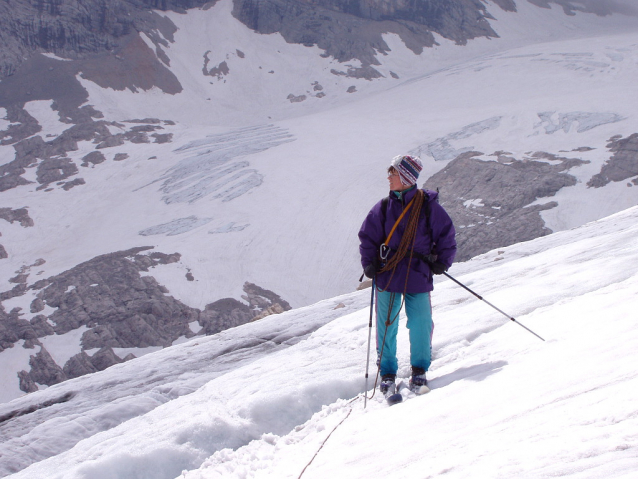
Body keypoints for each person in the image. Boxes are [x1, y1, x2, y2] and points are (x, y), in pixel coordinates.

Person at [358, 154, 456, 396]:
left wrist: (442, 262)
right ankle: (388, 373)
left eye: (393, 173)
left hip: (416, 273)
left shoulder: (428, 207)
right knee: (387, 325)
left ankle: (419, 370)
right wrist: (368, 263)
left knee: (421, 323)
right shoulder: (383, 207)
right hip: (389, 273)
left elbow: (446, 236)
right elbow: (368, 237)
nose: (389, 178)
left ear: (406, 178)